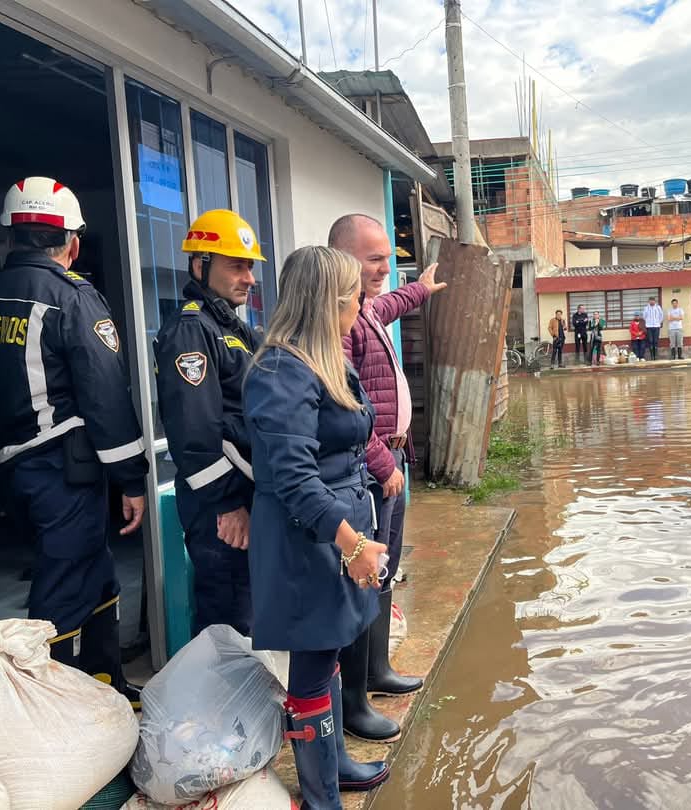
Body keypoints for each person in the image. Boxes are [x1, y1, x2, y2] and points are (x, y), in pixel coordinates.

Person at [0, 177, 148, 702]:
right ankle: (58, 707)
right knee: (65, 585)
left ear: (9, 240)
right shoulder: (72, 298)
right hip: (63, 469)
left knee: (96, 573)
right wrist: (131, 479)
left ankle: (106, 683)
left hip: (12, 468)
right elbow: (105, 395)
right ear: (71, 243)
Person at [244, 246, 392, 806]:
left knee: (327, 651)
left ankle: (337, 769)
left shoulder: (324, 358)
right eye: (356, 293)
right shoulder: (282, 369)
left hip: (336, 530)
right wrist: (352, 546)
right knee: (310, 668)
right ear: (332, 301)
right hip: (309, 539)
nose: (363, 300)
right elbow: (294, 478)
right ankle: (320, 797)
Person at [328, 214, 445, 743]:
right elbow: (344, 405)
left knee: (385, 573)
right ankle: (353, 701)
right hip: (371, 470)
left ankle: (375, 672)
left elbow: (391, 301)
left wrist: (420, 288)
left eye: (387, 259)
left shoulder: (365, 309)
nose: (383, 269)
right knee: (362, 578)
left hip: (390, 464)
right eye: (373, 259)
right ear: (342, 259)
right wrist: (382, 463)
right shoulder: (340, 322)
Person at [153, 210, 263, 637]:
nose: (248, 278)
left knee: (248, 615)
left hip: (245, 496)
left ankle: (246, 704)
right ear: (200, 265)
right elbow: (194, 433)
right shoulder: (190, 331)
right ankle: (221, 705)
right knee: (229, 621)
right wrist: (227, 504)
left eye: (250, 266)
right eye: (236, 265)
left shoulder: (233, 328)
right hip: (220, 508)